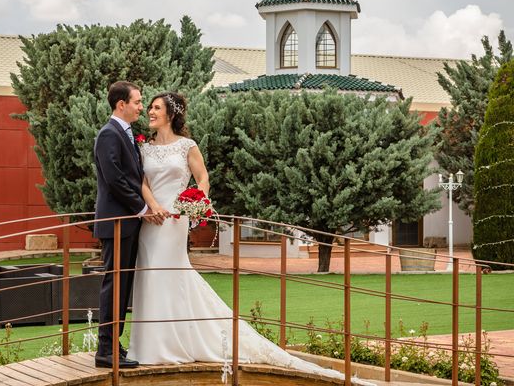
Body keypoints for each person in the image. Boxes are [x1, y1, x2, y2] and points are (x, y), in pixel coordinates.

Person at [127, 92, 372, 384]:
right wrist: (153, 206)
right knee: (151, 276)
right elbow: (140, 182)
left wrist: (195, 202)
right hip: (152, 220)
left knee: (172, 274)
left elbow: (202, 178)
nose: (150, 112)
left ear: (171, 114)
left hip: (176, 220)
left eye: (156, 108)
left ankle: (175, 342)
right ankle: (152, 345)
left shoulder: (187, 146)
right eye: (150, 107)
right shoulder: (144, 147)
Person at [93, 81, 159, 369]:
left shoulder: (126, 135)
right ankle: (104, 350)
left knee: (123, 285)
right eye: (137, 102)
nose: (141, 107)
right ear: (121, 104)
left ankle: (113, 345)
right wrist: (143, 208)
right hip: (117, 222)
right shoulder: (109, 134)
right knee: (114, 284)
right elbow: (115, 179)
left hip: (127, 223)